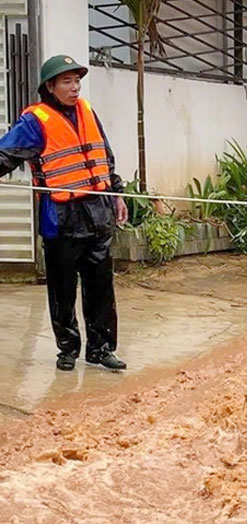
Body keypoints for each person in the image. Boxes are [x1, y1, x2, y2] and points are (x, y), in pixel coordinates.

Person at [0, 55, 128, 371]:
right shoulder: (35, 120)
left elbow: (104, 157)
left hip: (97, 213)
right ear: (51, 86)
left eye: (77, 81)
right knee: (63, 289)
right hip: (62, 216)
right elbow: (5, 155)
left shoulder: (87, 112)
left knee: (101, 288)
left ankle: (101, 349)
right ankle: (68, 349)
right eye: (67, 82)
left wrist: (117, 194)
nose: (75, 88)